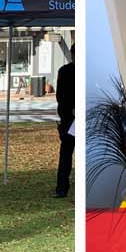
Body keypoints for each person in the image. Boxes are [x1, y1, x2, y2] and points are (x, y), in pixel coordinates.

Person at [55, 48, 75, 201]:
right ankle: (62, 187)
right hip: (71, 118)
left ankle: (62, 188)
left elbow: (60, 97)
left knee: (66, 155)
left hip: (68, 119)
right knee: (67, 154)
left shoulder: (64, 71)